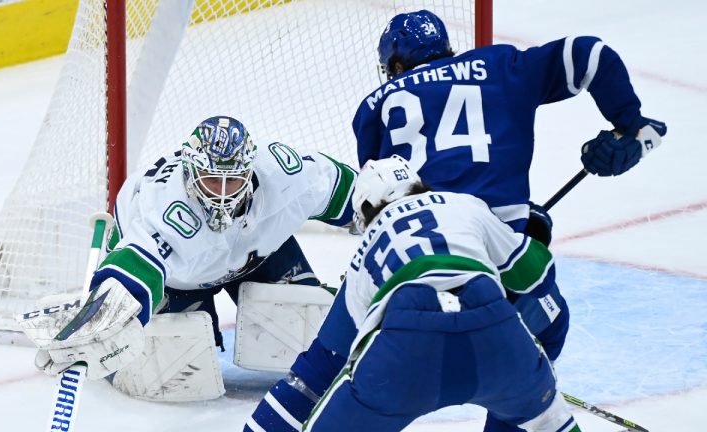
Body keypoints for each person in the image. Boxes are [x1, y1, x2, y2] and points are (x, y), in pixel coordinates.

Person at [246, 9, 666, 432]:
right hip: (490, 256)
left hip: (404, 259)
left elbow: (385, 201)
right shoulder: (501, 65)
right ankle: (526, 398)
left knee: (321, 366)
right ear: (448, 51)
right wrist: (630, 127)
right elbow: (589, 53)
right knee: (548, 326)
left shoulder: (373, 108)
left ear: (393, 67)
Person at [17, 115, 357, 401]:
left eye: (233, 181)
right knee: (174, 373)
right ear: (190, 172)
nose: (223, 195)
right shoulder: (167, 211)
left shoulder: (286, 176)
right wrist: (99, 322)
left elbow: (357, 194)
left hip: (256, 254)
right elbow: (134, 275)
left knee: (309, 327)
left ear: (250, 170)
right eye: (212, 181)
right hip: (177, 278)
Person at [271, 156, 582, 432]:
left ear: (365, 209)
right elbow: (537, 278)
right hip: (492, 324)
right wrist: (532, 237)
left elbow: (353, 346)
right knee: (550, 422)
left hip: (406, 347)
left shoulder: (364, 253)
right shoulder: (463, 204)